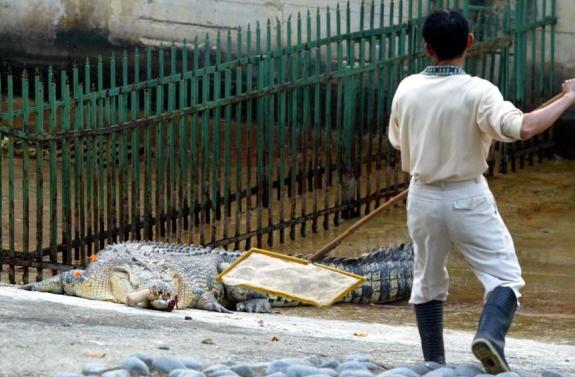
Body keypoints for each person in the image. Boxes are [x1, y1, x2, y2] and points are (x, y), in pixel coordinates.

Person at [387, 9, 575, 374]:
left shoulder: (406, 87)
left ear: (427, 48)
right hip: (466, 196)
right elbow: (524, 127)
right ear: (470, 43)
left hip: (422, 195)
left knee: (427, 279)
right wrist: (568, 98)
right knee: (505, 277)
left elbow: (399, 140)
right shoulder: (479, 91)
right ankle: (489, 336)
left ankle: (433, 363)